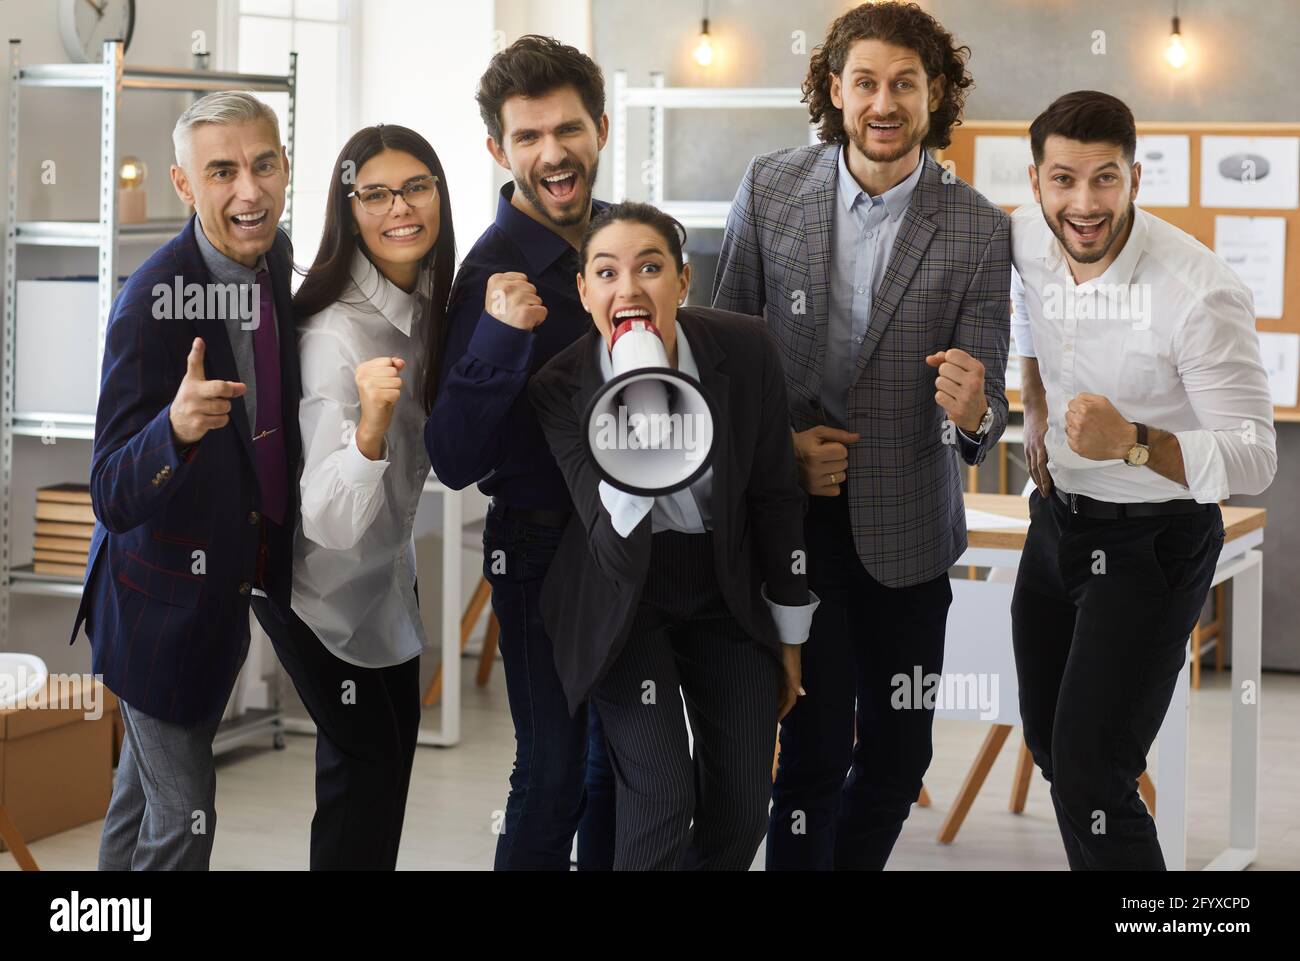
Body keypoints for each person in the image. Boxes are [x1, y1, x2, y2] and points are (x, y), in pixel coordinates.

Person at [712, 0, 1011, 870]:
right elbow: (725, 363)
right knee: (808, 756)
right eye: (867, 83)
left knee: (897, 755)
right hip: (793, 524)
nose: (885, 103)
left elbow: (986, 420)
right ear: (835, 90)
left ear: (936, 95)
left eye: (906, 85)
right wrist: (781, 455)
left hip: (911, 536)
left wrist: (971, 412)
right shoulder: (769, 187)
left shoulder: (979, 227)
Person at [1010, 90, 1276, 870]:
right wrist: (1031, 401)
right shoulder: (1028, 236)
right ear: (1035, 182)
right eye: (1064, 179)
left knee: (1093, 773)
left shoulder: (1199, 291)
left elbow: (1255, 457)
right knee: (1055, 747)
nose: (1084, 203)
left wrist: (1133, 442)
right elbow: (1029, 312)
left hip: (1152, 542)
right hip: (1058, 521)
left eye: (1105, 179)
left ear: (1135, 177)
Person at [529, 201, 816, 870]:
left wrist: (790, 638)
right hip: (626, 600)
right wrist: (636, 425)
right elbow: (607, 540)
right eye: (606, 272)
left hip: (724, 590)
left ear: (683, 283)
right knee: (660, 797)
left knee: (743, 806)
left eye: (649, 267)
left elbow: (776, 497)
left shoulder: (745, 349)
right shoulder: (562, 386)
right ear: (584, 292)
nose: (628, 288)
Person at [73, 92, 300, 870]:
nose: (249, 190)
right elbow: (108, 489)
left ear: (286, 166)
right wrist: (171, 429)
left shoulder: (277, 259)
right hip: (153, 614)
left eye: (263, 164)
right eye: (223, 171)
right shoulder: (149, 304)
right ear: (183, 184)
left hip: (222, 596)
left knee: (139, 803)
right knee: (185, 818)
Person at [424, 35, 615, 870]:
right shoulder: (488, 278)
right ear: (499, 151)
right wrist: (502, 338)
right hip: (540, 547)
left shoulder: (626, 243)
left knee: (620, 771)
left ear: (600, 129)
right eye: (528, 138)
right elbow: (453, 458)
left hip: (635, 542)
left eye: (567, 129)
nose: (552, 152)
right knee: (554, 774)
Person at [251, 124, 455, 870]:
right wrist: (370, 425)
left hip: (380, 582)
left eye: (417, 186)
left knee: (388, 765)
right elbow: (330, 521)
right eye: (375, 193)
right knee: (362, 774)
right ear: (350, 209)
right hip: (314, 589)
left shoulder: (432, 297)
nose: (400, 207)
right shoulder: (335, 332)